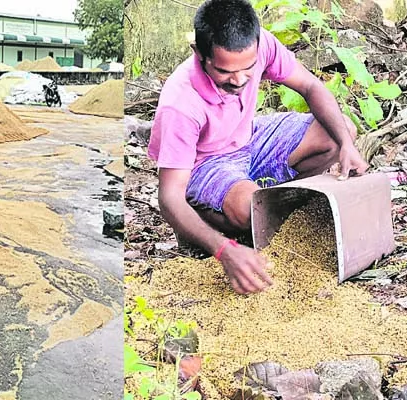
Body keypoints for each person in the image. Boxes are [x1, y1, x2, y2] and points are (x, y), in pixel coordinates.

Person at [147, 0, 369, 295]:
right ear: (200, 54)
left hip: (251, 139)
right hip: (206, 163)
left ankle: (278, 211)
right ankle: (210, 223)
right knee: (252, 207)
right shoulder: (180, 103)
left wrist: (346, 145)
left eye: (248, 68)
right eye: (225, 71)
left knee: (341, 131)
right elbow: (169, 196)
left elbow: (311, 87)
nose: (239, 80)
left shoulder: (261, 44)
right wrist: (224, 250)